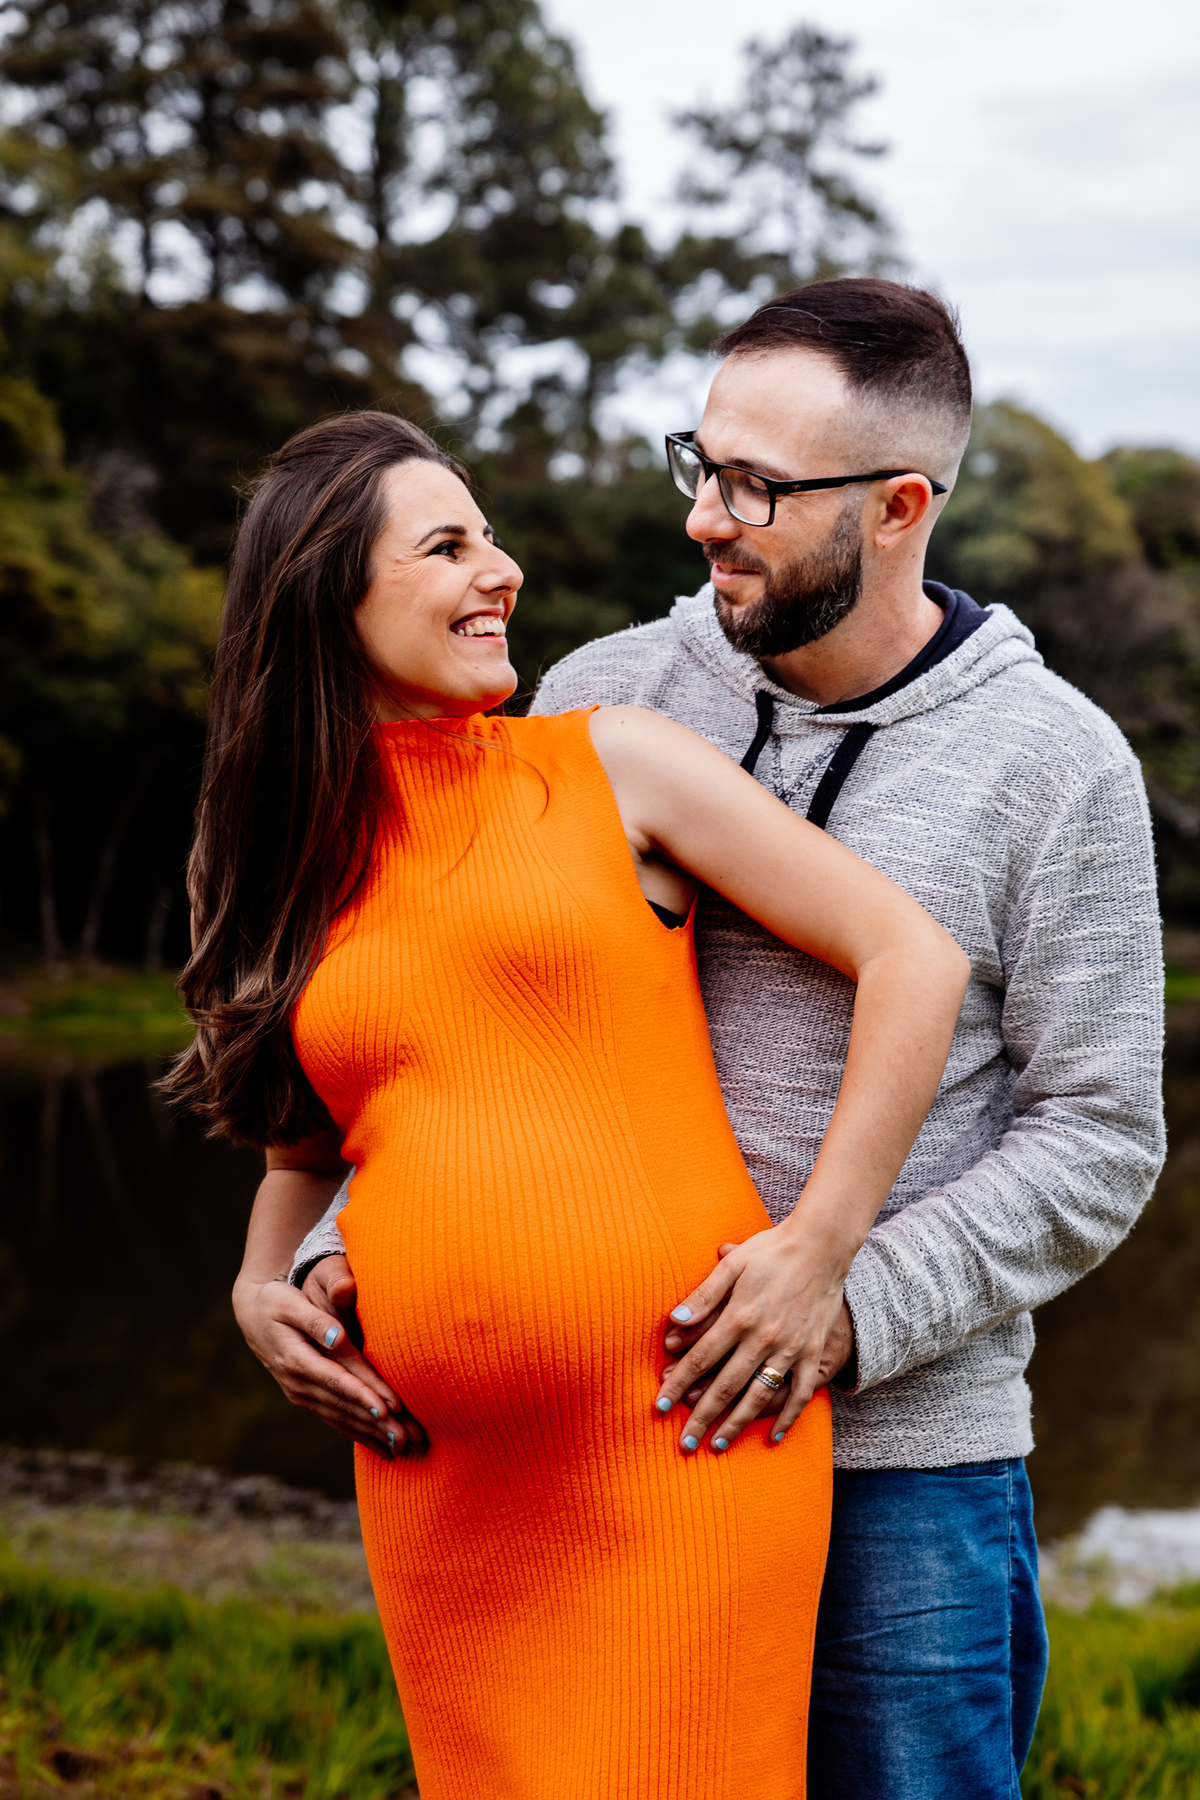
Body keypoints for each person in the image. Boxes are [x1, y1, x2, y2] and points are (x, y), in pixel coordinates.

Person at [250, 280, 1167, 1799]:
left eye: (754, 487)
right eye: (703, 464)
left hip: (904, 1471)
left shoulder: (1057, 765)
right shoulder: (604, 692)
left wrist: (840, 1295)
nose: (705, 520)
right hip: (594, 1468)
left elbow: (1100, 1135)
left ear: (896, 506)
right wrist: (334, 1247)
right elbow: (463, 1018)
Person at [172, 408, 969, 1800]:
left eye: (492, 535)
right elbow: (304, 1144)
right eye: (448, 544)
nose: (505, 569)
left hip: (677, 1449)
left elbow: (913, 958)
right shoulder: (294, 857)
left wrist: (823, 1244)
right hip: (444, 1494)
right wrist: (257, 1285)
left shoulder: (612, 764)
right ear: (324, 593)